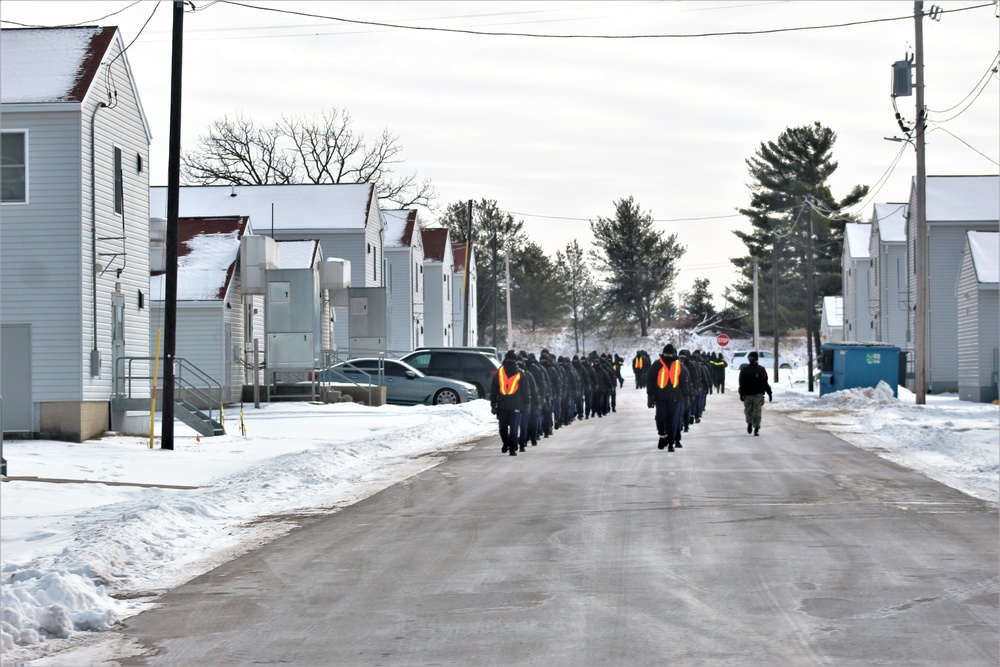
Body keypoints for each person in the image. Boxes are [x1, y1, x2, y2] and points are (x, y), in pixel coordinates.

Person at [646, 344, 690, 451]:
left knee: (672, 421)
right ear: (663, 353)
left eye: (670, 354)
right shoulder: (657, 365)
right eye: (666, 354)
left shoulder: (679, 365)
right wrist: (650, 397)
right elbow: (650, 381)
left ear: (673, 354)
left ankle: (671, 442)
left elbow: (684, 382)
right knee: (660, 418)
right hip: (660, 398)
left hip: (675, 398)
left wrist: (686, 397)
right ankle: (662, 436)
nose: (668, 356)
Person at [490, 350, 529, 455]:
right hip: (502, 405)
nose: (510, 361)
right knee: (502, 428)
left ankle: (512, 448)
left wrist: (527, 406)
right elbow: (494, 389)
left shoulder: (521, 374)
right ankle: (506, 443)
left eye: (512, 359)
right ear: (505, 360)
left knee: (514, 428)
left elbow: (526, 391)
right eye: (508, 359)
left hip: (516, 406)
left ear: (516, 361)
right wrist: (493, 404)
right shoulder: (500, 373)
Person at [738, 351, 772, 436]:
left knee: (757, 412)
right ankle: (749, 423)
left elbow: (765, 382)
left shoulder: (761, 369)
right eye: (749, 358)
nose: (751, 360)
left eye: (752, 358)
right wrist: (741, 393)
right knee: (748, 411)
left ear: (756, 359)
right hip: (747, 394)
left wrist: (769, 393)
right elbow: (741, 383)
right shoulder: (744, 370)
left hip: (758, 394)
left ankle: (756, 428)